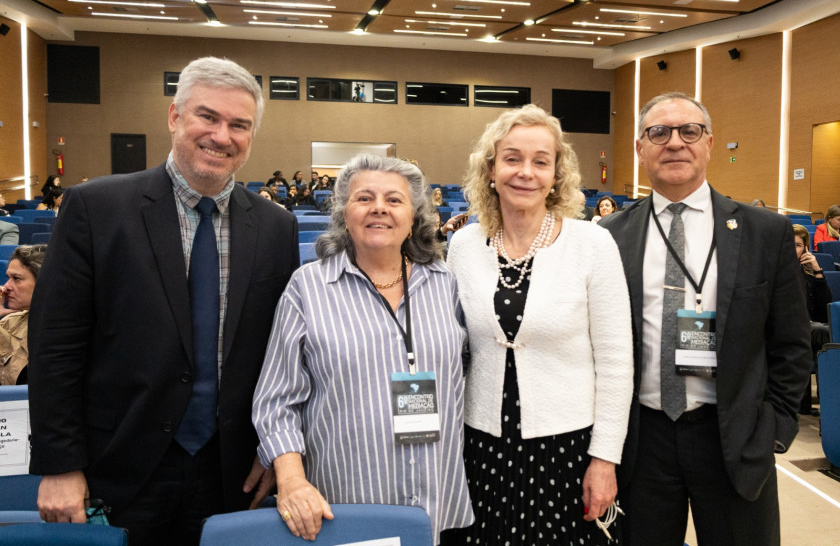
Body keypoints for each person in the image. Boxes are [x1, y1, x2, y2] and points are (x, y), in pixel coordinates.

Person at [27, 56, 299, 546]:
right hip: (120, 463)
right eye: (208, 117)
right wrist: (60, 463)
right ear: (174, 117)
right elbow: (55, 346)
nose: (222, 135)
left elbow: (282, 357)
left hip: (235, 470)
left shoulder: (276, 226)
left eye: (240, 125)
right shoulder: (97, 208)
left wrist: (275, 450)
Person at [599, 92, 811, 546]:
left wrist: (774, 428)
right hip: (642, 440)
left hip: (732, 436)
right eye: (659, 132)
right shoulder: (608, 237)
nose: (675, 142)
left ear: (709, 143)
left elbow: (790, 342)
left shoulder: (764, 232)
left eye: (688, 131)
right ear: (640, 149)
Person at [252, 154, 473, 543]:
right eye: (364, 198)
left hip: (439, 501)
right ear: (343, 212)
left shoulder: (446, 283)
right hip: (347, 505)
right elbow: (276, 401)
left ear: (414, 215)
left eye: (394, 200)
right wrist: (290, 479)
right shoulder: (307, 288)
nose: (379, 209)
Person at [441, 104, 633, 545]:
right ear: (491, 169)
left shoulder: (592, 243)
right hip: (483, 444)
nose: (525, 172)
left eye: (540, 161)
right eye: (512, 158)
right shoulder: (465, 244)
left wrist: (605, 459)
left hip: (566, 448)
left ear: (556, 174)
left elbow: (617, 363)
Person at [793, 224, 831, 416]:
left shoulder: (808, 273)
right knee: (826, 333)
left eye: (799, 245)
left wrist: (817, 270)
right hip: (786, 327)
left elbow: (826, 305)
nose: (794, 249)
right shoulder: (774, 271)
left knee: (824, 330)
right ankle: (831, 406)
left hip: (810, 327)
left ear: (806, 248)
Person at [0, 244, 47, 386]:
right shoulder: (7, 323)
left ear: (44, 282)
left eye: (16, 278)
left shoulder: (77, 329)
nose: (6, 286)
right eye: (8, 277)